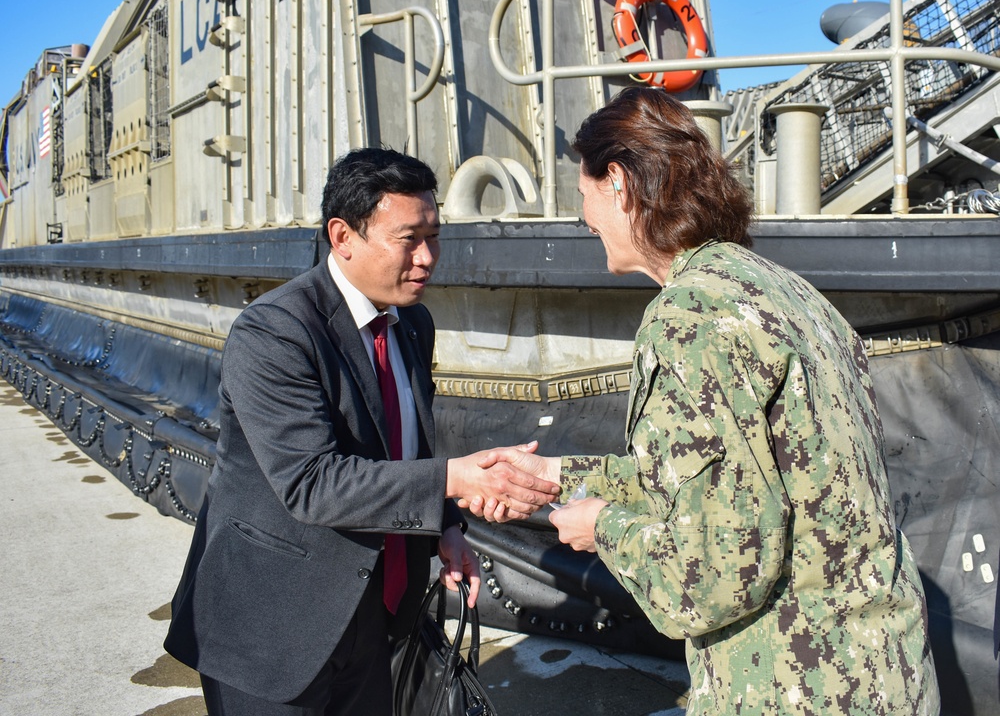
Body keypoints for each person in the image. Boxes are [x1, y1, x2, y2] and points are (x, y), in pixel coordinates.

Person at [473, 88, 940, 714]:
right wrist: (557, 478)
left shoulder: (688, 319)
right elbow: (722, 476)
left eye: (582, 189)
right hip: (883, 671)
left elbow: (716, 576)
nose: (582, 215)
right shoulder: (779, 291)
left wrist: (602, 528)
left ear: (618, 181)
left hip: (793, 685)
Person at [164, 147, 560, 716]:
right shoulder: (274, 334)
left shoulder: (411, 322)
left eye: (434, 235)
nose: (427, 258)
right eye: (408, 239)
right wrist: (456, 478)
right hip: (274, 632)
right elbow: (311, 483)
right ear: (343, 237)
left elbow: (408, 442)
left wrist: (446, 529)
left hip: (374, 614)